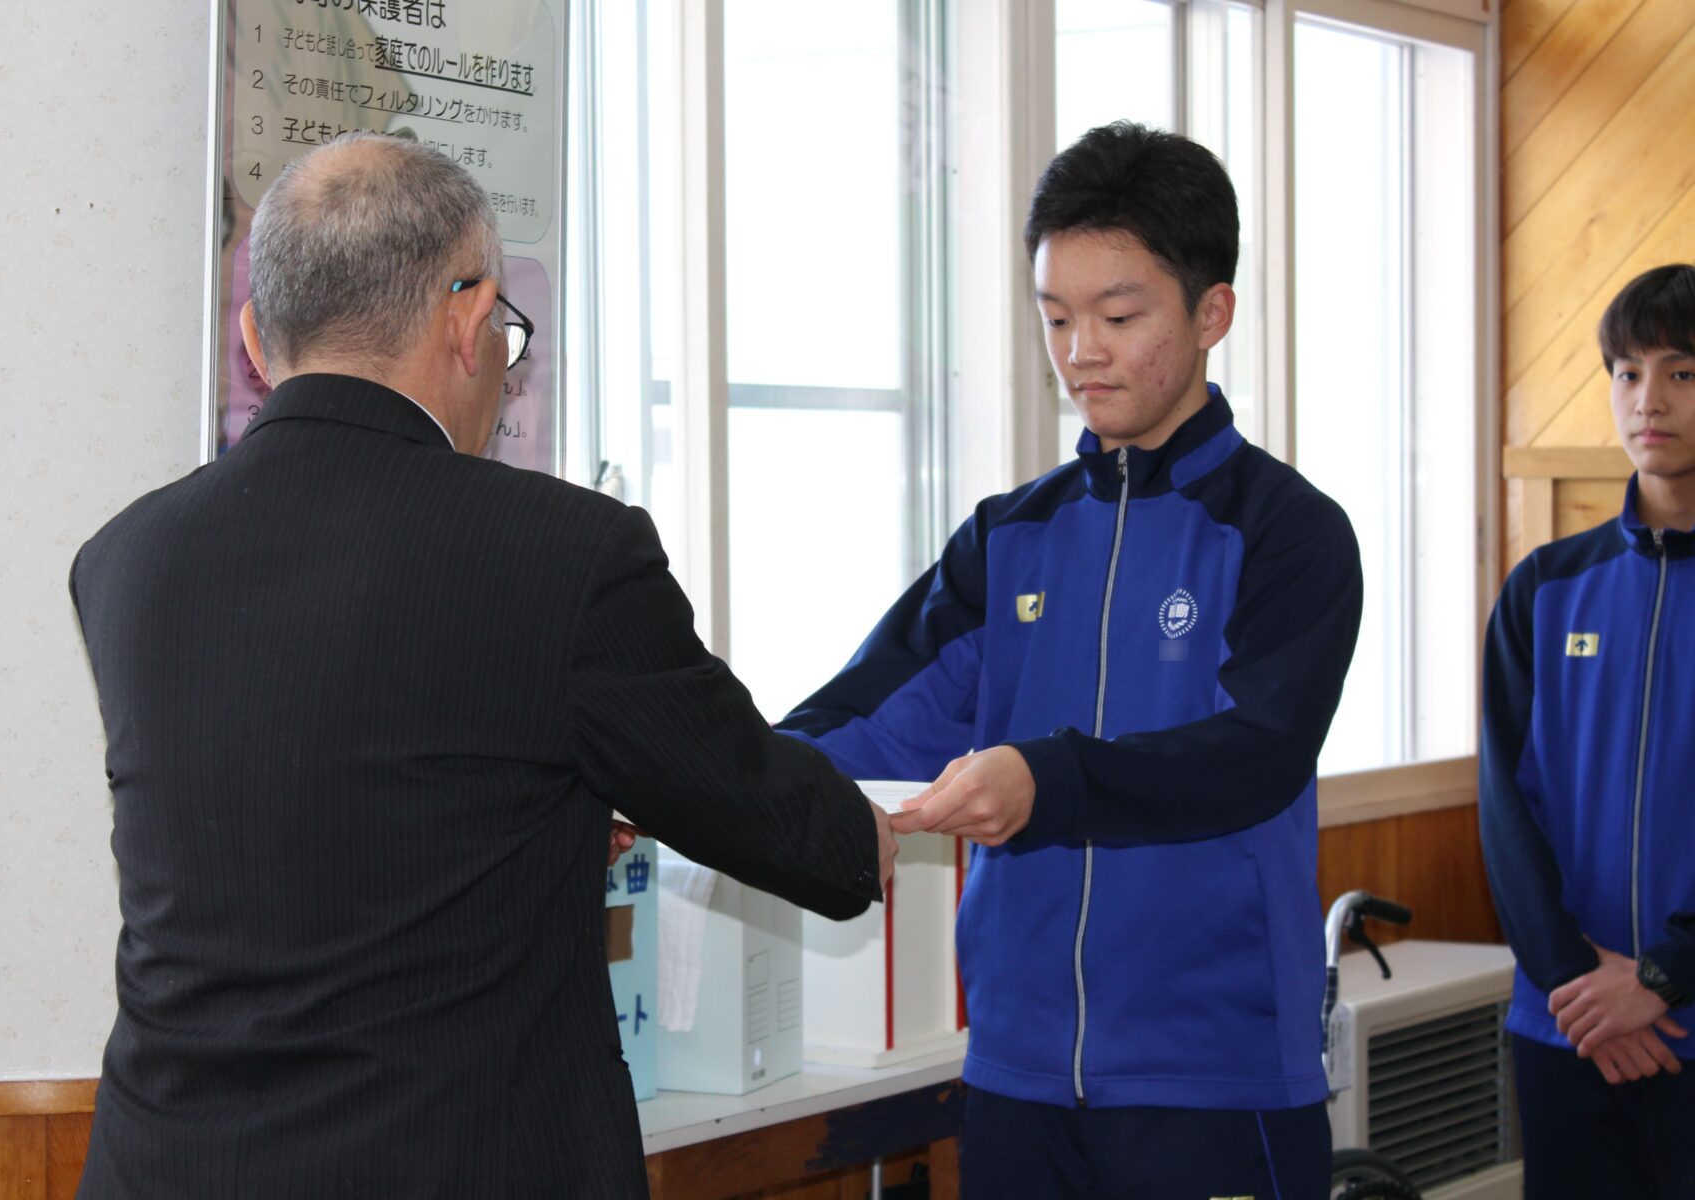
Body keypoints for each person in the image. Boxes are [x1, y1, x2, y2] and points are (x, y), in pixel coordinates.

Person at [68, 132, 895, 1200]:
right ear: (470, 322)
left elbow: (306, 818)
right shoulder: (567, 556)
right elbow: (802, 839)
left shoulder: (124, 560)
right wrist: (864, 831)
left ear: (256, 341)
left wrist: (535, 819)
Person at [779, 121, 1362, 1198]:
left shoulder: (1288, 533)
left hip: (1215, 1083)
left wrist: (1049, 780)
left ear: (1212, 313)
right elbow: (868, 719)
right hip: (1018, 1081)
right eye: (1055, 317)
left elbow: (1252, 755)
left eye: (1119, 315)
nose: (1080, 350)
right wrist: (705, 779)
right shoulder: (1011, 539)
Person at [1480, 263, 1695, 1200]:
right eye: (1628, 371)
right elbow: (1503, 807)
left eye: (1684, 372)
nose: (1650, 400)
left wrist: (1662, 977)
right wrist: (1581, 988)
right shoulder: (1543, 588)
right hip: (1564, 1027)